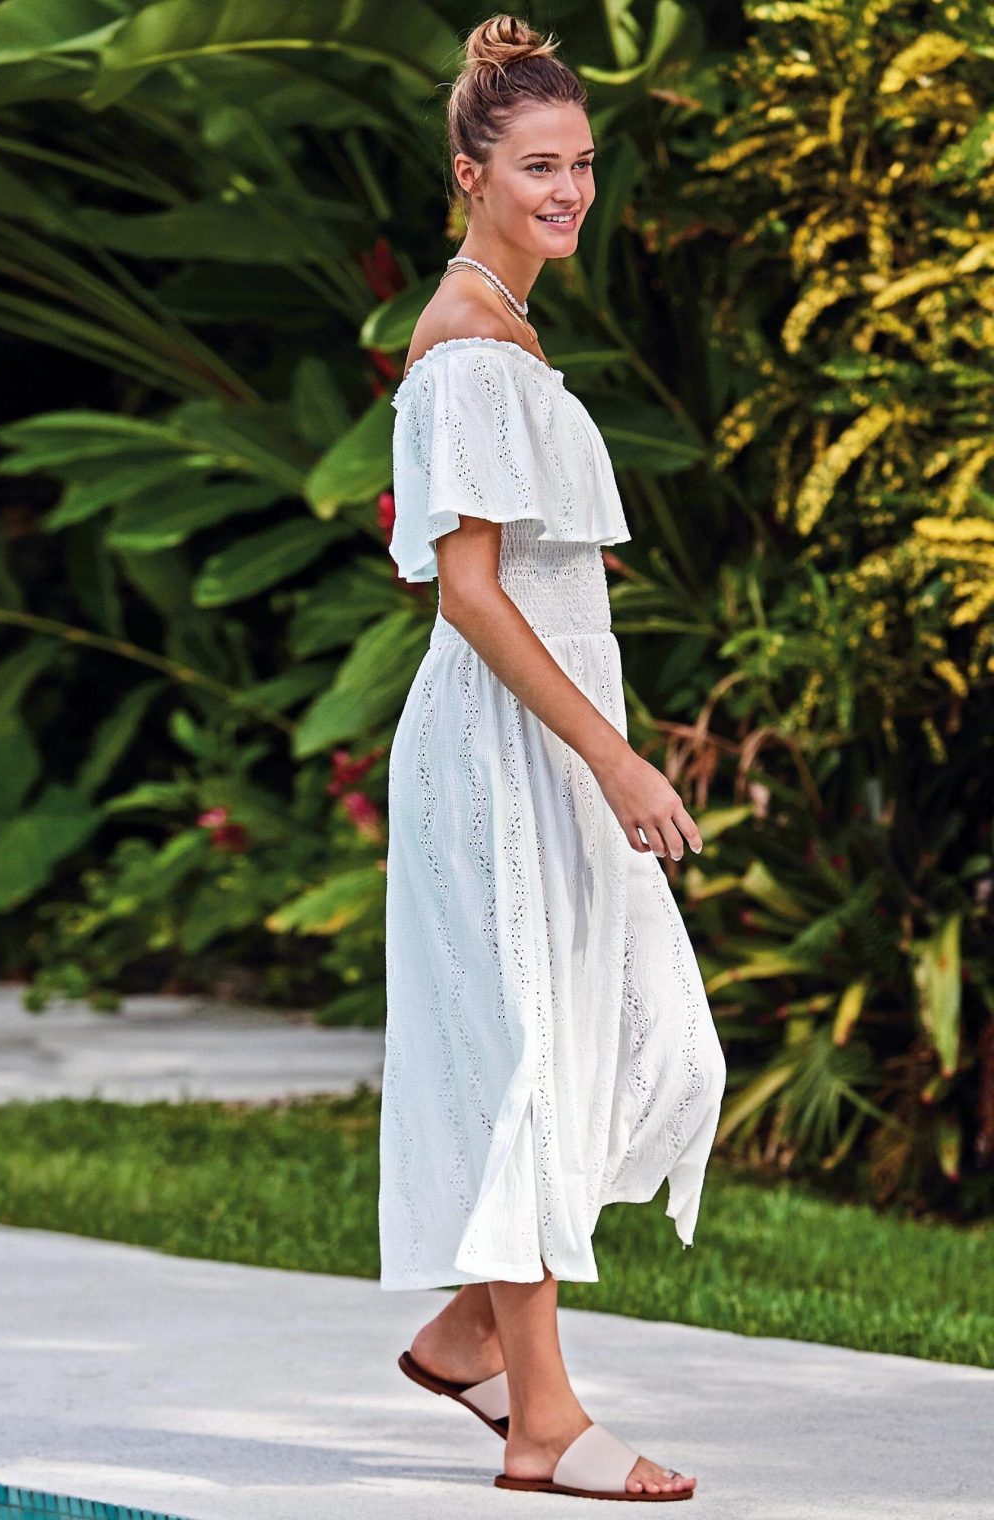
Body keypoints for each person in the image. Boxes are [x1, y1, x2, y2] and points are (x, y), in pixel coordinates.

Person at [377, 12, 727, 1503]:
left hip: (557, 743)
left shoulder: (510, 330)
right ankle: (543, 1420)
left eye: (582, 161)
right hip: (505, 754)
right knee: (532, 1059)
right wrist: (616, 761)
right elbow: (466, 592)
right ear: (471, 174)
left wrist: (602, 747)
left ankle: (467, 1335)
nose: (570, 189)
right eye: (538, 166)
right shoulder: (466, 350)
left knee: (654, 1053)